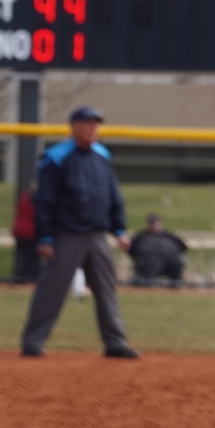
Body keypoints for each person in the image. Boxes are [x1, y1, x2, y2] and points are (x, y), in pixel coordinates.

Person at [21, 106, 139, 359]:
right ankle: (33, 342)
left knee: (106, 290)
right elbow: (45, 200)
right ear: (74, 127)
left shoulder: (102, 155)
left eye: (96, 124)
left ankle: (115, 343)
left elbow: (113, 195)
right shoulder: (57, 157)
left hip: (97, 235)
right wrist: (45, 237)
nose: (93, 128)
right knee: (52, 289)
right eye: (88, 123)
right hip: (67, 234)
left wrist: (119, 229)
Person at [128, 213, 188, 287]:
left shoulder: (169, 236)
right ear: (148, 224)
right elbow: (131, 249)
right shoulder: (141, 236)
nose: (154, 225)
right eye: (152, 223)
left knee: (176, 262)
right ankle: (149, 286)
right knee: (151, 262)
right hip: (150, 260)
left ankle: (176, 286)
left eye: (156, 223)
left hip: (169, 258)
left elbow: (183, 247)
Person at [10, 181, 39, 282]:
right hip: (31, 232)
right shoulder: (37, 200)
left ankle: (20, 278)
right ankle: (28, 279)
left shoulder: (24, 198)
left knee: (26, 258)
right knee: (32, 259)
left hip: (19, 231)